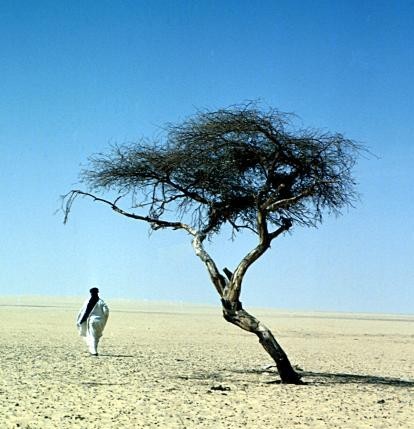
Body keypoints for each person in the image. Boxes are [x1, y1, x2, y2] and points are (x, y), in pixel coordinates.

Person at [76, 287, 109, 356]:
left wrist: (81, 320)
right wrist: (103, 318)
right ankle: (93, 350)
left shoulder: (88, 301)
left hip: (92, 321)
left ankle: (94, 351)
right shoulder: (101, 302)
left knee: (93, 336)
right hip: (100, 322)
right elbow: (106, 311)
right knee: (96, 336)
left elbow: (83, 311)